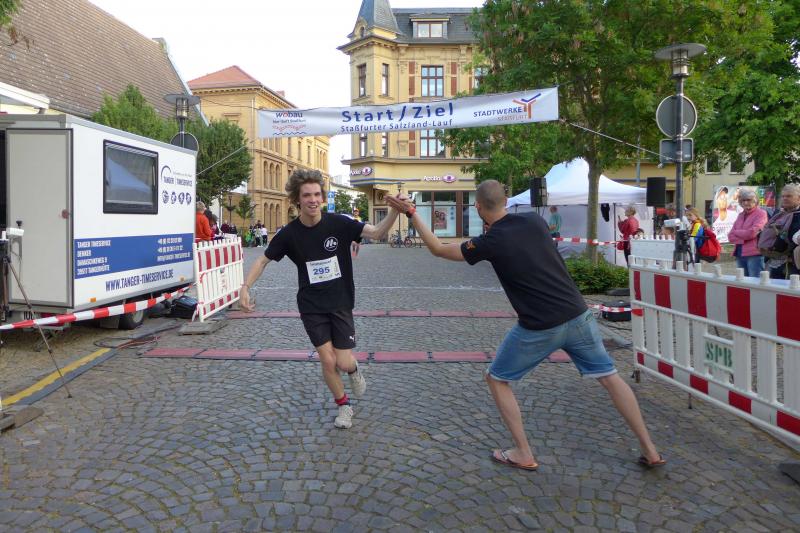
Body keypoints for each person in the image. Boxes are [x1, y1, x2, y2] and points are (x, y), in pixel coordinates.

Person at [386, 181, 663, 471]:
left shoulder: (490, 242)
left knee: (497, 379)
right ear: (506, 200)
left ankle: (522, 452)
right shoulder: (534, 220)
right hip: (578, 314)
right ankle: (650, 449)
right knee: (610, 377)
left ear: (477, 207)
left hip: (540, 326)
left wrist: (412, 212)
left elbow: (438, 249)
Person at [240, 169, 402, 429]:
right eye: (307, 195)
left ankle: (353, 369)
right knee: (327, 360)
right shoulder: (289, 234)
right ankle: (344, 406)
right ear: (297, 199)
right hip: (311, 306)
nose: (313, 200)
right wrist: (245, 287)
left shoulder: (339, 223)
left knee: (343, 361)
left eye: (317, 194)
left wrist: (395, 211)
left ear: (323, 197)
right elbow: (262, 260)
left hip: (340, 302)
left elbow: (376, 232)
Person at [758, 184, 800, 279]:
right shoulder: (779, 213)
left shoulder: (798, 215)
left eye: (789, 196)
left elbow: (794, 238)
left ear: (799, 198)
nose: (784, 198)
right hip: (772, 259)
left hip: (790, 263)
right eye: (783, 196)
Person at [727, 189, 768, 277]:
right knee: (743, 282)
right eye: (743, 200)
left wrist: (736, 232)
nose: (745, 203)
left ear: (755, 201)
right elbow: (730, 236)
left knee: (755, 282)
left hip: (755, 254)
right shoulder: (740, 215)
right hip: (739, 253)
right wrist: (743, 236)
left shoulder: (761, 214)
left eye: (748, 200)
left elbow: (752, 233)